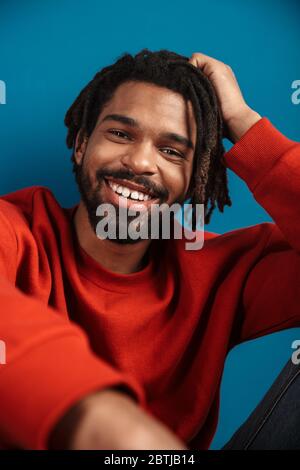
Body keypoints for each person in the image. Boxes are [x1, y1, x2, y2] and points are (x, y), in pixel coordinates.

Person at [0, 49, 299, 450]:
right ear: (81, 145)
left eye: (172, 151)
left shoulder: (222, 271)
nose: (140, 162)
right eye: (121, 134)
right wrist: (107, 426)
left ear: (196, 179)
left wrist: (245, 125)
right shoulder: (16, 231)